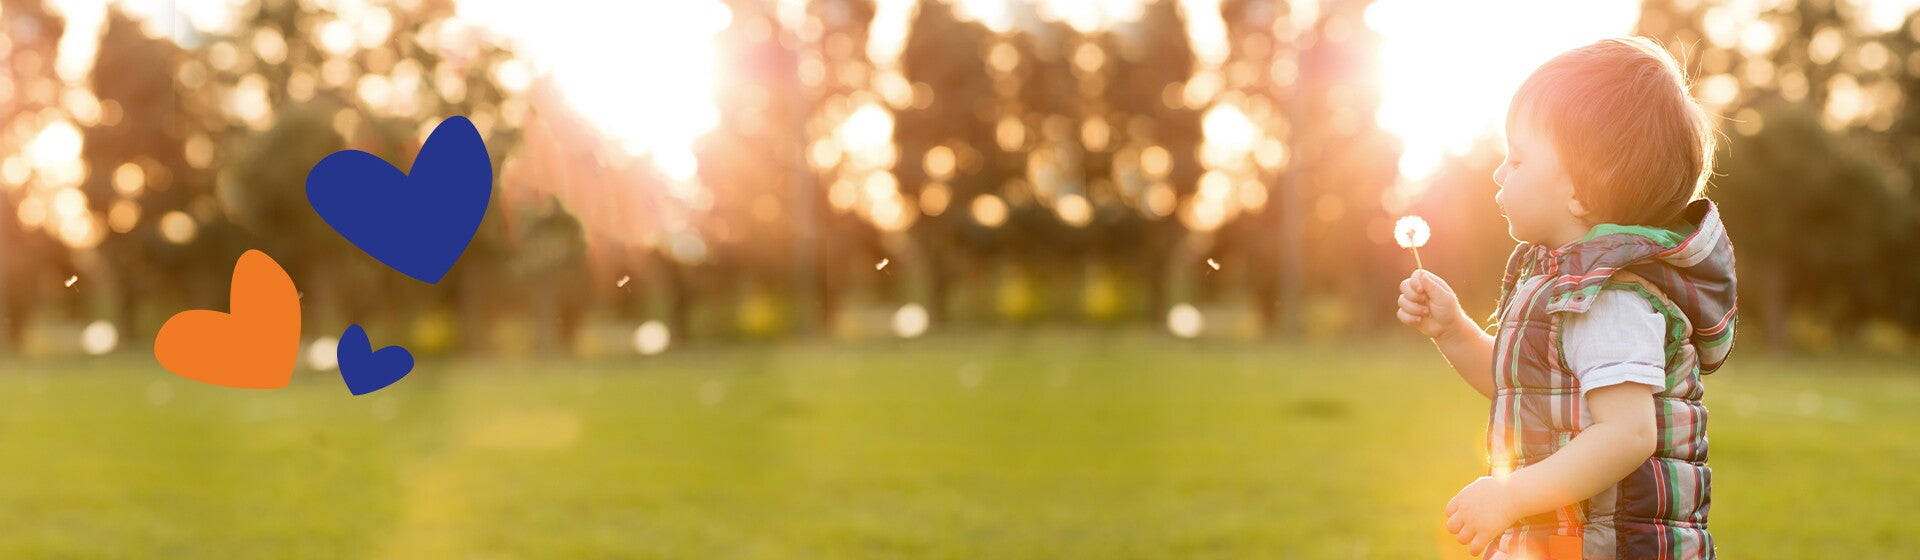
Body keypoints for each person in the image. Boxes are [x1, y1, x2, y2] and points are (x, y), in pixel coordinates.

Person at [1395, 37, 1738, 559]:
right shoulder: (1565, 284)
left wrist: (1510, 497)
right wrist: (1454, 329)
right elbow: (1523, 388)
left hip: (1615, 545)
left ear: (1582, 188)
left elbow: (1627, 434)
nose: (1498, 172)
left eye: (1517, 157)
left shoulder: (1611, 300)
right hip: (1570, 540)